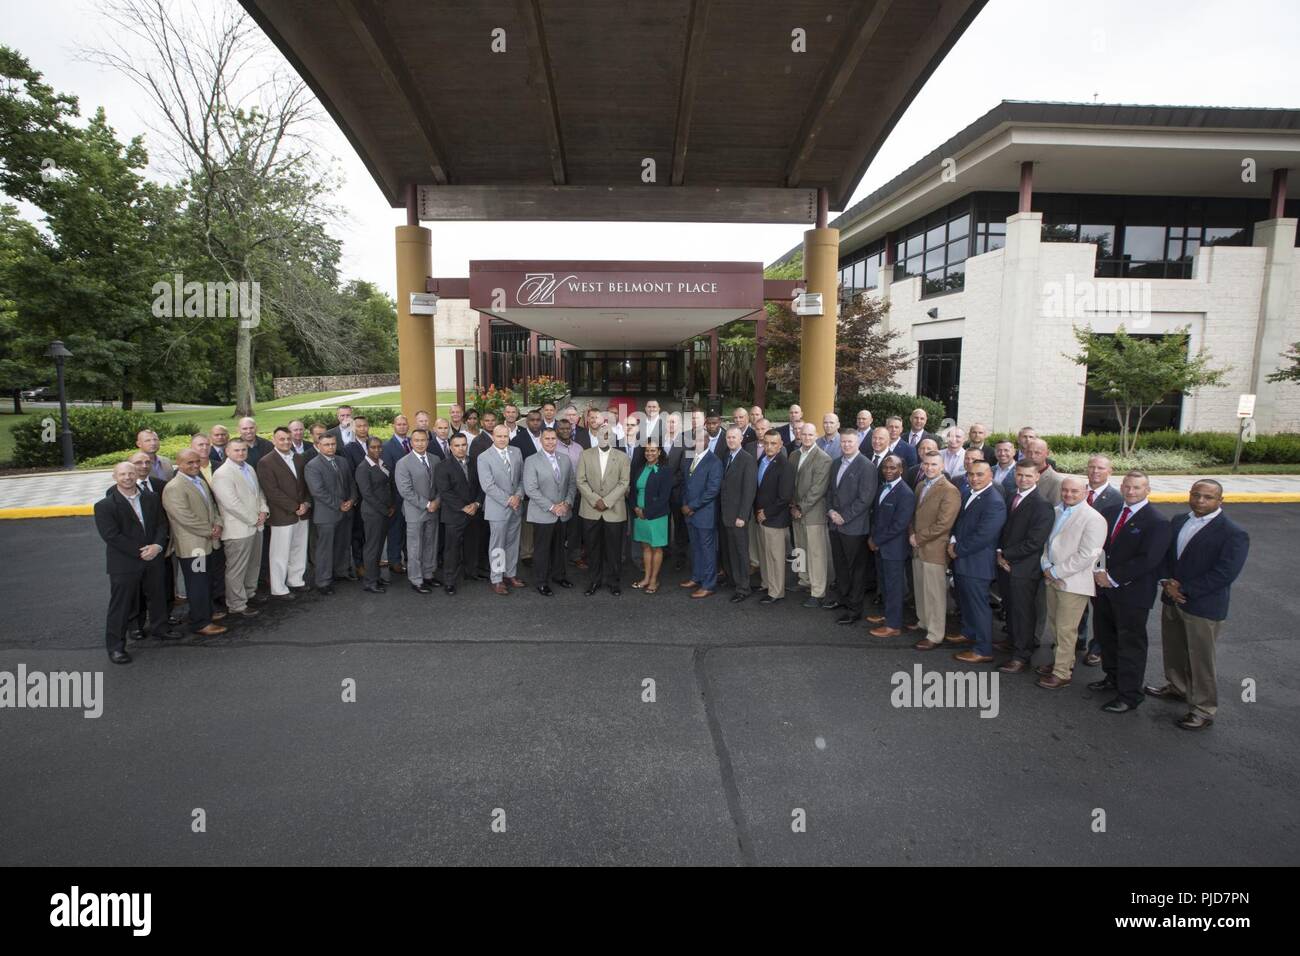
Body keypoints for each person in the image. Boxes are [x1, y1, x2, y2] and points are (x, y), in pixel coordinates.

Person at [1146, 479, 1250, 730]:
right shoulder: (1180, 520)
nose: (1200, 501)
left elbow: (1225, 573)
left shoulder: (1233, 533)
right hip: (1172, 598)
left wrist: (1184, 589)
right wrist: (1166, 581)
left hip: (1203, 606)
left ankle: (1203, 708)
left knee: (1200, 658)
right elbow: (1167, 555)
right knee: (1174, 648)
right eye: (1196, 495)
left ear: (1220, 501)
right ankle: (1178, 687)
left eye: (1208, 497)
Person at [1090, 470, 1172, 713]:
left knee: (1130, 645)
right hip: (1104, 588)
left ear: (1147, 490)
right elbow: (1099, 546)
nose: (1130, 491)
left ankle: (1129, 694)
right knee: (1107, 637)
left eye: (1137, 487)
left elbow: (1148, 560)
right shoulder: (1112, 512)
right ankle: (1112, 678)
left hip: (1132, 594)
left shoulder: (1157, 521)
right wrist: (1099, 571)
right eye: (1127, 486)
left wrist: (1112, 577)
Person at [94, 462, 179, 663]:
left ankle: (161, 629)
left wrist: (157, 546)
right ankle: (116, 647)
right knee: (121, 606)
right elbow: (111, 536)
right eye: (122, 474)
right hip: (125, 563)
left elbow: (161, 524)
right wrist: (140, 552)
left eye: (130, 473)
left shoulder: (150, 498)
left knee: (157, 596)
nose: (127, 477)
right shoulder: (104, 506)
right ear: (115, 477)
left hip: (154, 556)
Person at [1031, 475, 1108, 689]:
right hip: (1052, 576)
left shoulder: (1094, 518)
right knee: (1055, 626)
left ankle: (1062, 673)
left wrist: (1056, 571)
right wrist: (1046, 566)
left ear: (1085, 492)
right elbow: (1047, 543)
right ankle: (1062, 661)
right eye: (1065, 490)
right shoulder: (1056, 511)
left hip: (1073, 582)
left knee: (1067, 629)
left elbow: (1088, 555)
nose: (1068, 494)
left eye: (1074, 491)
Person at [993, 461, 1055, 672]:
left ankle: (1021, 656)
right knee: (1010, 608)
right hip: (1005, 564)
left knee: (1023, 613)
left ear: (1037, 477)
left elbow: (1035, 542)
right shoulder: (1012, 495)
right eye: (1020, 475)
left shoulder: (1042, 504)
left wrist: (1006, 555)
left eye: (1028, 476)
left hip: (1024, 568)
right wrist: (1000, 554)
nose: (1023, 479)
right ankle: (1012, 641)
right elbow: (1004, 528)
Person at [161, 450, 227, 636]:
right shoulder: (175, 487)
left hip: (206, 543)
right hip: (193, 547)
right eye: (189, 462)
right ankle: (200, 623)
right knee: (197, 584)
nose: (195, 466)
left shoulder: (198, 481)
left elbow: (212, 507)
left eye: (197, 462)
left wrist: (218, 524)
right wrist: (209, 530)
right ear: (179, 464)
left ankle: (205, 613)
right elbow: (184, 517)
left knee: (206, 581)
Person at [948, 461, 1007, 664]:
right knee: (965, 601)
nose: (974, 478)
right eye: (971, 474)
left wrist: (957, 550)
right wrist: (954, 541)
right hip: (962, 559)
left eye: (980, 474)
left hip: (976, 563)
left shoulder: (994, 501)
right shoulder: (968, 492)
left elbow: (984, 535)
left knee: (979, 605)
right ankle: (968, 632)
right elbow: (959, 521)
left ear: (990, 476)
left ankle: (983, 649)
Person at [210, 438, 268, 618]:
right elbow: (231, 503)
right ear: (227, 452)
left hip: (255, 525)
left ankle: (249, 593)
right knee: (237, 568)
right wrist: (253, 519)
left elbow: (258, 492)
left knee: (253, 563)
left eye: (243, 450)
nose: (241, 453)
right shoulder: (222, 474)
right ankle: (237, 604)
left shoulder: (249, 468)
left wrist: (263, 511)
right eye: (236, 450)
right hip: (238, 529)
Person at [909, 452, 961, 651]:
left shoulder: (950, 490)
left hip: (934, 548)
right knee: (921, 589)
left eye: (933, 464)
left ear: (942, 466)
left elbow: (944, 524)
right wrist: (912, 533)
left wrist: (919, 537)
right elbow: (914, 514)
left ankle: (935, 634)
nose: (929, 468)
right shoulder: (921, 485)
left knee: (934, 594)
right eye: (926, 464)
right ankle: (923, 622)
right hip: (917, 546)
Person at [825, 429, 877, 625]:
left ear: (857, 443)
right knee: (840, 566)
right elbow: (830, 491)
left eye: (850, 442)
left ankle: (855, 609)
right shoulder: (836, 462)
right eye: (844, 442)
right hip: (835, 525)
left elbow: (865, 499)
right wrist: (830, 511)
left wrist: (844, 517)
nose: (846, 445)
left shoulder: (866, 466)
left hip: (854, 527)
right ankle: (843, 599)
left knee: (856, 570)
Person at [257, 427, 312, 599]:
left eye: (288, 439)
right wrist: (294, 506)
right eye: (281, 439)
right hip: (282, 515)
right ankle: (278, 588)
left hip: (302, 512)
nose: (286, 442)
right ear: (274, 440)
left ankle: (296, 580)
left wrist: (305, 503)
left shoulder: (298, 458)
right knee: (279, 553)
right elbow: (272, 491)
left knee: (299, 548)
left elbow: (305, 484)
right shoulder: (266, 462)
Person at [576, 421, 630, 596]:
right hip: (590, 510)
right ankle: (594, 581)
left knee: (614, 550)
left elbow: (624, 483)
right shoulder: (585, 455)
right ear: (596, 436)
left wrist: (606, 501)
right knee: (592, 549)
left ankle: (614, 582)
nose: (604, 437)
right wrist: (595, 500)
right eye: (601, 434)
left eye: (608, 435)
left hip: (613, 511)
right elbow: (580, 480)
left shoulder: (622, 457)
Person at [866, 454, 916, 636]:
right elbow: (877, 516)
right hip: (880, 546)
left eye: (893, 468)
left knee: (894, 587)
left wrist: (876, 540)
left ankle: (893, 626)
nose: (888, 471)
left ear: (901, 470)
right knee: (885, 585)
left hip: (893, 549)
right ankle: (888, 616)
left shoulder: (905, 493)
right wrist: (874, 538)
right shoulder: (883, 487)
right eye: (885, 467)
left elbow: (899, 525)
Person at [523, 427, 577, 596]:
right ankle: (541, 581)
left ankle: (559, 575)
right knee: (542, 550)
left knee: (559, 548)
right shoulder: (532, 460)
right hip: (543, 513)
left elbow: (571, 484)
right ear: (541, 440)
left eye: (553, 438)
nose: (550, 442)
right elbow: (531, 489)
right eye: (547, 439)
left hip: (562, 514)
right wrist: (552, 507)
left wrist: (567, 504)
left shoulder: (565, 459)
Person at [304, 434, 358, 595]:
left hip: (346, 511)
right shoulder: (312, 466)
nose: (330, 447)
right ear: (319, 446)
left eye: (333, 444)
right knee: (325, 550)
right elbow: (318, 491)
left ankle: (340, 572)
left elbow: (351, 483)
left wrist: (352, 499)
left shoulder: (342, 461)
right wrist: (339, 504)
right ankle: (323, 581)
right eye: (326, 444)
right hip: (326, 514)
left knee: (343, 544)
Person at [479, 424, 527, 595]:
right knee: (498, 545)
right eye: (499, 436)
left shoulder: (516, 452)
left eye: (505, 436)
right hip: (498, 508)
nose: (502, 439)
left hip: (516, 506)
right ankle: (497, 579)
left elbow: (522, 479)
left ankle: (510, 574)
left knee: (513, 542)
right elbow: (488, 486)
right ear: (493, 436)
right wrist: (508, 500)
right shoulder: (484, 457)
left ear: (509, 437)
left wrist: (518, 496)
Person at [790, 423, 832, 609]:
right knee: (799, 548)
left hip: (813, 513)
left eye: (810, 434)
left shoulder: (823, 458)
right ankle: (803, 580)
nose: (806, 437)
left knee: (816, 553)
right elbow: (790, 483)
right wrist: (792, 505)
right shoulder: (794, 455)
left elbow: (818, 489)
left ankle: (818, 591)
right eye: (803, 433)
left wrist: (801, 507)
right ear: (799, 434)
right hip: (795, 511)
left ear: (816, 436)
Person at [435, 434, 483, 594]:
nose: (461, 448)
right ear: (450, 447)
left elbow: (482, 486)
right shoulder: (443, 466)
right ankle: (449, 581)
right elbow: (445, 492)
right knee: (452, 549)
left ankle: (471, 572)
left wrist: (476, 503)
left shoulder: (475, 462)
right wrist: (464, 507)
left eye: (463, 445)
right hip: (454, 514)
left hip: (474, 512)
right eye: (457, 445)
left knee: (472, 545)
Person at [395, 429, 441, 593]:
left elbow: (440, 485)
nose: (421, 443)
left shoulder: (435, 459)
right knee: (415, 547)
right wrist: (427, 504)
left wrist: (436, 502)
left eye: (424, 440)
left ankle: (428, 574)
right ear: (411, 442)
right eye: (417, 440)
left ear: (428, 441)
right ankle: (416, 579)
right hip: (415, 511)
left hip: (434, 509)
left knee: (430, 544)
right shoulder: (403, 463)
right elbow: (405, 491)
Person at [752, 431, 794, 604]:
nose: (769, 447)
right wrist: (758, 512)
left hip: (775, 519)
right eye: (766, 443)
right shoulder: (761, 460)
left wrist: (766, 513)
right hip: (760, 516)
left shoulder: (785, 466)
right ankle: (766, 584)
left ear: (780, 444)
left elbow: (784, 497)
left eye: (773, 444)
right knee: (764, 554)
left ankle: (776, 591)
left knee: (775, 557)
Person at [681, 426, 723, 598]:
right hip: (690, 513)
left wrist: (692, 506)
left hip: (704, 514)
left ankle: (709, 584)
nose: (697, 443)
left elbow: (712, 490)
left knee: (707, 550)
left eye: (700, 440)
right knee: (696, 548)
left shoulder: (714, 462)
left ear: (707, 441)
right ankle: (697, 577)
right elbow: (686, 485)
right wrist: (685, 505)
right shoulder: (690, 458)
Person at [717, 425, 757, 603]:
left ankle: (744, 587)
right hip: (726, 513)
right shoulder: (727, 456)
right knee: (730, 550)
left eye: (734, 437)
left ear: (741, 439)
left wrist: (743, 515)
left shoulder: (747, 459)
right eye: (729, 438)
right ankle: (734, 580)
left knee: (741, 552)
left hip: (738, 516)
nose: (731, 440)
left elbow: (749, 491)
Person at [629, 441, 673, 593]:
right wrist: (635, 508)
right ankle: (646, 578)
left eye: (653, 450)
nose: (650, 453)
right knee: (645, 547)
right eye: (647, 450)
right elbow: (633, 492)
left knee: (656, 547)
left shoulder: (665, 470)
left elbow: (664, 497)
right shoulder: (640, 469)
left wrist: (646, 512)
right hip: (639, 514)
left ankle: (654, 580)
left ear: (659, 452)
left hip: (656, 515)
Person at [354, 436, 396, 594]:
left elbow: (387, 485)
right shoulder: (363, 468)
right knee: (372, 547)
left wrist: (391, 506)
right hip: (373, 513)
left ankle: (376, 576)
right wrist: (385, 510)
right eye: (373, 447)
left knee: (379, 547)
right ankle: (369, 581)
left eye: (379, 447)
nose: (377, 450)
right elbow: (367, 495)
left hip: (384, 511)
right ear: (367, 448)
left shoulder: (382, 463)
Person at [382, 414, 413, 575]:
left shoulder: (413, 443)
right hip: (397, 497)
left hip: (413, 497)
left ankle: (411, 558)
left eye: (404, 424)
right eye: (399, 424)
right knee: (396, 530)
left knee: (410, 530)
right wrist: (391, 500)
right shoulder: (387, 447)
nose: (402, 426)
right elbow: (387, 475)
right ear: (393, 426)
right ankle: (394, 561)